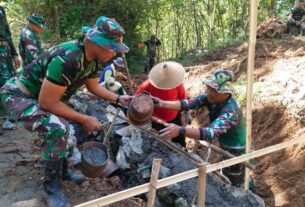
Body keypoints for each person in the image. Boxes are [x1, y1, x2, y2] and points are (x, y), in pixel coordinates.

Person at [0, 16, 131, 207]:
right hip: (19, 95)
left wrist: (118, 98)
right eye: (111, 48)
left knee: (66, 124)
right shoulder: (68, 58)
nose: (113, 54)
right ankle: (51, 189)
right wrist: (85, 118)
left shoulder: (93, 59)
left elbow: (93, 86)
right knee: (58, 127)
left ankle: (62, 172)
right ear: (96, 43)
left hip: (42, 97)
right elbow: (46, 102)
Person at [154, 69, 247, 187]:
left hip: (238, 148)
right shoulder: (210, 97)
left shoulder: (231, 111)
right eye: (208, 88)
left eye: (214, 90)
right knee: (228, 171)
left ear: (226, 93)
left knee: (237, 178)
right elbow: (188, 104)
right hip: (226, 142)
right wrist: (162, 103)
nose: (209, 92)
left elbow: (209, 133)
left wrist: (180, 130)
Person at [135, 61, 191, 147]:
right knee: (161, 144)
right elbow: (136, 100)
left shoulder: (177, 84)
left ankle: (184, 154)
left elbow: (183, 98)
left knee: (180, 140)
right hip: (157, 120)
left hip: (175, 117)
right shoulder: (148, 85)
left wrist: (187, 112)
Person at [0, 4, 21, 134]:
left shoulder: (1, 9)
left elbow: (7, 31)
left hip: (5, 49)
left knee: (8, 82)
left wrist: (14, 53)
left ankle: (7, 117)